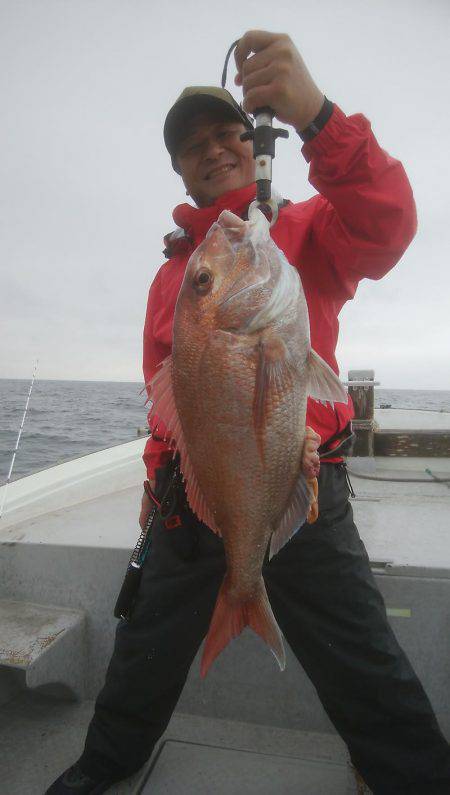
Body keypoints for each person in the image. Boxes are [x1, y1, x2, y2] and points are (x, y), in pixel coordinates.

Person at [46, 30, 450, 795]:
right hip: (189, 494)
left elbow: (389, 222)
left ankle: (419, 777)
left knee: (359, 654)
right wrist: (151, 476)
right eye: (193, 146)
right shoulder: (177, 275)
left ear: (252, 138)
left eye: (228, 132)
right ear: (180, 169)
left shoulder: (297, 233)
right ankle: (105, 763)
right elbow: (162, 398)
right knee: (146, 646)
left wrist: (319, 117)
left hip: (302, 481)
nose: (215, 149)